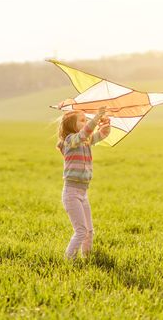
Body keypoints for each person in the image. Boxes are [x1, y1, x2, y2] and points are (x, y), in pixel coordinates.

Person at [56, 106, 110, 259]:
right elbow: (84, 133)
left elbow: (102, 134)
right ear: (72, 126)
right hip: (71, 193)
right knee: (81, 231)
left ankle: (87, 258)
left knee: (89, 231)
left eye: (86, 120)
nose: (86, 122)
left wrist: (105, 124)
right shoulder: (70, 141)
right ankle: (68, 259)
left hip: (83, 193)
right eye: (82, 120)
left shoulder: (86, 141)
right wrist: (96, 118)